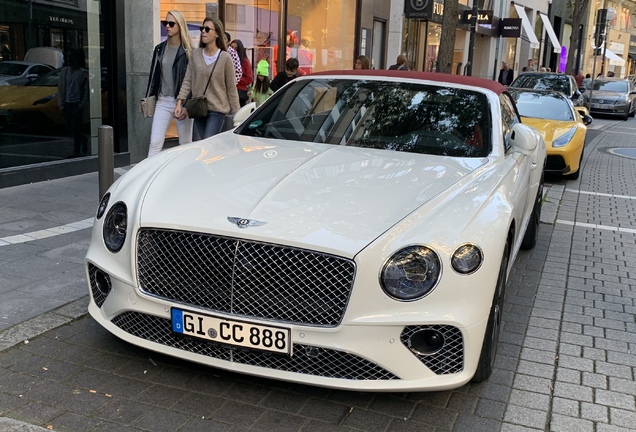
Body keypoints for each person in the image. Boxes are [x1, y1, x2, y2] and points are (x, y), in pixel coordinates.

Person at [174, 18, 240, 140]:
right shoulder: (195, 54)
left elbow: (231, 88)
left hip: (217, 110)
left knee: (209, 142)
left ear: (216, 34)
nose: (203, 31)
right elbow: (188, 80)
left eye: (207, 29)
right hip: (199, 108)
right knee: (205, 146)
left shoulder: (225, 58)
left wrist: (238, 115)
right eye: (202, 29)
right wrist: (179, 103)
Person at [146, 10, 194, 158]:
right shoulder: (159, 49)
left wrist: (187, 104)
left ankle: (186, 176)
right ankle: (149, 177)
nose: (167, 26)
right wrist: (149, 95)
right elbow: (154, 76)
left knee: (185, 143)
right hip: (163, 100)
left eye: (171, 23)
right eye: (165, 23)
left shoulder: (189, 51)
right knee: (155, 142)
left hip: (182, 101)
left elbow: (192, 79)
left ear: (179, 26)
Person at [58, 49, 90, 158]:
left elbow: (86, 92)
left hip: (77, 103)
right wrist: (61, 104)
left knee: (76, 126)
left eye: (73, 57)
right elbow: (61, 88)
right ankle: (83, 139)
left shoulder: (83, 73)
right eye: (69, 57)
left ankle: (77, 150)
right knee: (71, 128)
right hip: (68, 102)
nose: (70, 60)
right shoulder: (65, 72)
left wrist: (82, 105)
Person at [231, 39, 253, 107]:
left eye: (236, 48)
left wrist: (236, 78)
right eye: (232, 47)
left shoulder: (245, 61)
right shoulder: (227, 59)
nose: (233, 50)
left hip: (239, 91)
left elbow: (249, 79)